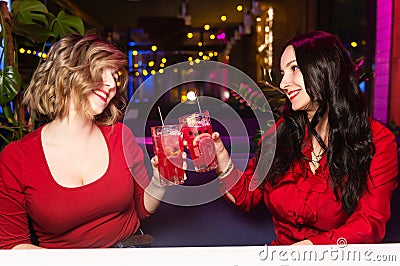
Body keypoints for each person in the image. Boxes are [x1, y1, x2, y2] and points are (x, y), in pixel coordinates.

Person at [213, 30, 399, 245]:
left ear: (326, 69)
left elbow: (370, 223)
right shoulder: (280, 134)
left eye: (294, 68)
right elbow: (247, 195)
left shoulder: (376, 140)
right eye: (283, 73)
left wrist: (309, 250)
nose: (283, 83)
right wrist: (220, 157)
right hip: (283, 257)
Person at [0, 34, 168, 249]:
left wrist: (160, 182)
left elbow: (141, 209)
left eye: (114, 76)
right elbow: (12, 245)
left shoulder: (120, 136)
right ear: (67, 74)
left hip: (128, 249)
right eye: (100, 72)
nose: (110, 85)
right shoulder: (17, 158)